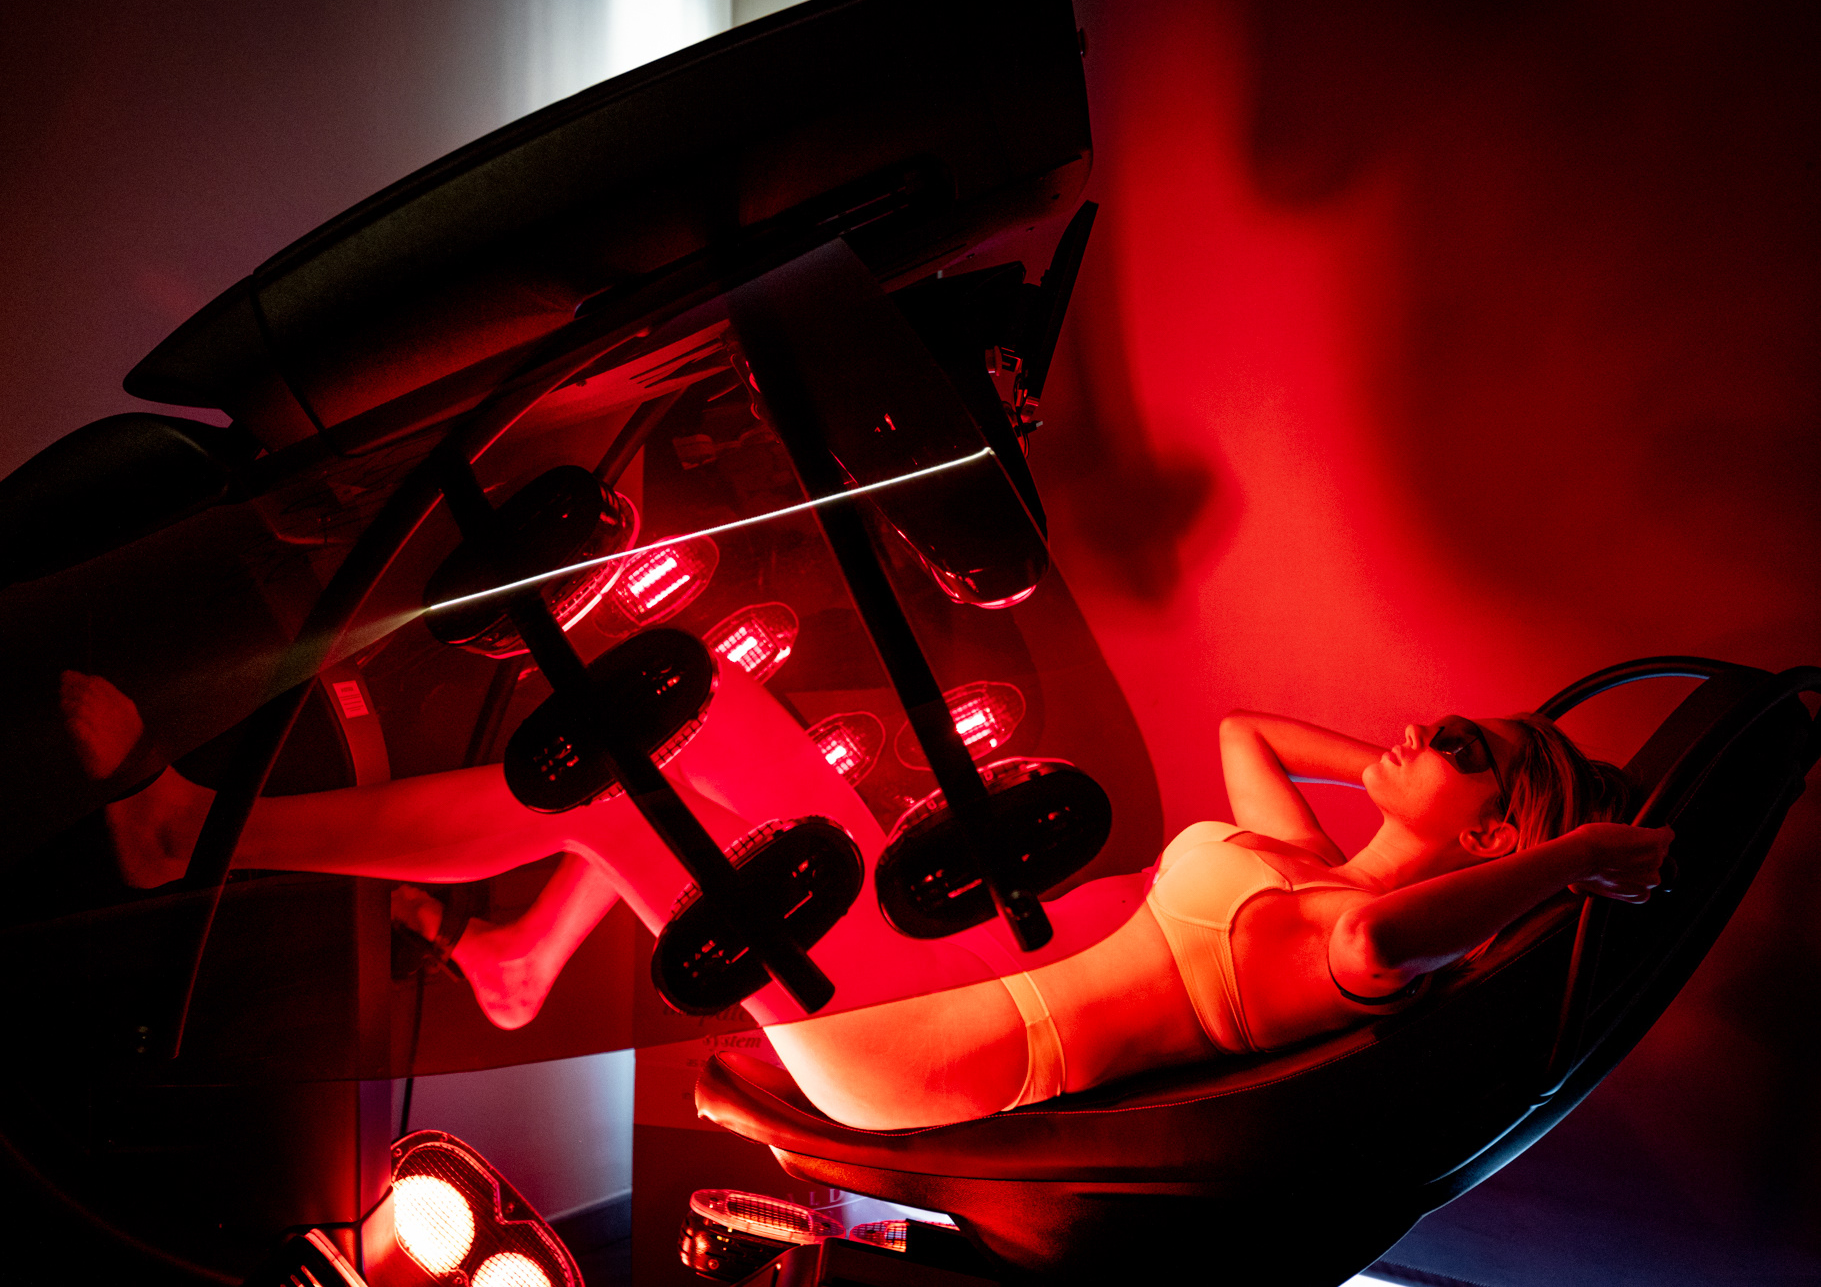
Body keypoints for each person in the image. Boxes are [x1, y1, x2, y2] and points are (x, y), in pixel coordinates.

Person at [60, 665, 1672, 1132]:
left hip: (928, 1036)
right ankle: (523, 959)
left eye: (1472, 750)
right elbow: (1248, 728)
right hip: (927, 943)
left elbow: (1388, 933)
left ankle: (194, 830)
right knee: (707, 706)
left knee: (621, 788)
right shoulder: (1297, 862)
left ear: (1493, 835)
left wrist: (1576, 858)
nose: (1430, 728)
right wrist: (1414, 781)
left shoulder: (1353, 946)